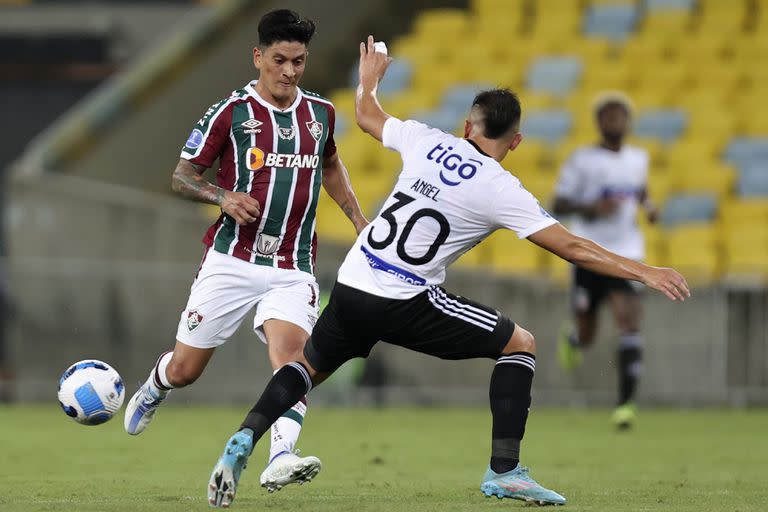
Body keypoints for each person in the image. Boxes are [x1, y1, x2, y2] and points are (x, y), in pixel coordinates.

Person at [205, 37, 690, 508]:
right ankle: (505, 473)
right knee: (519, 344)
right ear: (515, 141)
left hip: (354, 281)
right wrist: (643, 271)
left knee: (306, 368)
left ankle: (244, 436)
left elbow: (368, 117)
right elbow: (570, 245)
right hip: (404, 298)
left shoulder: (426, 139)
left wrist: (369, 80)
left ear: (466, 127)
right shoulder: (501, 187)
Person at [123, 9, 368, 493]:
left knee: (294, 359)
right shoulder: (231, 112)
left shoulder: (320, 114)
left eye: (299, 61)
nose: (290, 71)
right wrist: (222, 196)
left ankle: (281, 456)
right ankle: (156, 385)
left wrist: (358, 219)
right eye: (280, 59)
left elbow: (332, 164)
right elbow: (182, 174)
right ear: (258, 56)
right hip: (231, 261)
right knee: (185, 369)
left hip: (293, 265)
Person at [552, 92, 658, 430]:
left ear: (628, 121)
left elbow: (640, 191)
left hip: (627, 253)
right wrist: (591, 209)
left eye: (620, 115)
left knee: (629, 322)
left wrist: (649, 207)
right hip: (589, 253)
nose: (614, 120)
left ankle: (625, 405)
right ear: (598, 121)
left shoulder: (639, 158)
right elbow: (559, 203)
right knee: (588, 331)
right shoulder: (582, 160)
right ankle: (574, 339)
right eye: (608, 115)